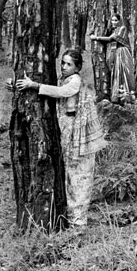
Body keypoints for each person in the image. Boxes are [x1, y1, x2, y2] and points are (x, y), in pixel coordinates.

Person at [11, 49, 107, 227]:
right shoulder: (65, 79)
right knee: (68, 173)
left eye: (69, 64)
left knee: (79, 175)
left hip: (77, 133)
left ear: (77, 67)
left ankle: (79, 220)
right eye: (63, 62)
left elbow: (62, 92)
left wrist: (34, 86)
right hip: (66, 132)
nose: (64, 67)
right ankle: (70, 216)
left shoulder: (75, 81)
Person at [90, 14, 136, 103]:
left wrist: (95, 38)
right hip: (116, 53)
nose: (114, 22)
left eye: (116, 20)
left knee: (124, 72)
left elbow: (111, 38)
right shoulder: (112, 30)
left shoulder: (123, 28)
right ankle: (117, 96)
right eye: (112, 20)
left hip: (122, 52)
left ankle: (126, 96)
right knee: (116, 72)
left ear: (119, 21)